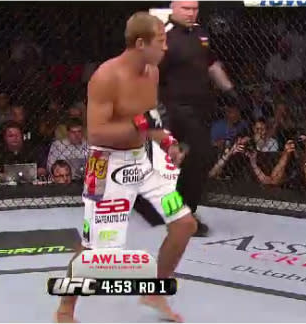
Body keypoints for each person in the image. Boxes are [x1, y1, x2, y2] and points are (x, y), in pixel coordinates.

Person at [54, 12, 197, 323]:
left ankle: (155, 291)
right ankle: (65, 309)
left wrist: (168, 142)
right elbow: (97, 133)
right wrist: (141, 126)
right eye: (161, 42)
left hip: (141, 164)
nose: (166, 49)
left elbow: (150, 122)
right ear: (141, 43)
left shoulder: (152, 74)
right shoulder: (106, 77)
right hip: (105, 167)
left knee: (184, 224)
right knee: (95, 251)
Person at [155, 0, 238, 236]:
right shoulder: (164, 38)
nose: (191, 13)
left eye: (195, 8)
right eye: (186, 9)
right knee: (201, 155)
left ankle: (177, 209)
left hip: (200, 108)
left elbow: (211, 65)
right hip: (176, 110)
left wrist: (230, 90)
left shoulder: (200, 33)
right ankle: (183, 214)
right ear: (173, 8)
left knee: (191, 161)